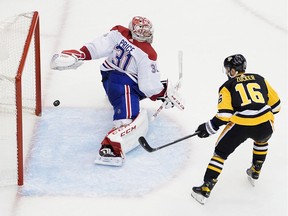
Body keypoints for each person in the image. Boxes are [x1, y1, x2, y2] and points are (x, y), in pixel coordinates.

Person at [50, 16, 184, 166]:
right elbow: (148, 87)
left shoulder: (119, 32)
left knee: (131, 91)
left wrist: (78, 54)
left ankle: (118, 102)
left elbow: (96, 47)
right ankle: (110, 147)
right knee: (126, 121)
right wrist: (161, 94)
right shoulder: (148, 53)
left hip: (108, 79)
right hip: (123, 88)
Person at [191, 54, 281, 205]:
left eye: (227, 69)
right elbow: (277, 107)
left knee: (220, 153)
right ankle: (255, 170)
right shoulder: (259, 78)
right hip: (266, 124)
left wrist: (208, 127)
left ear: (232, 71)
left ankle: (206, 188)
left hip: (241, 126)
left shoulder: (227, 86)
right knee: (261, 140)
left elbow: (224, 115)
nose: (227, 72)